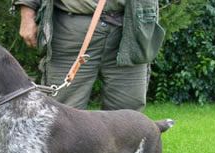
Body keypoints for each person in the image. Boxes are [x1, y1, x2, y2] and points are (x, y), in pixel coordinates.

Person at [13, 0, 165, 111]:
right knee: (63, 116)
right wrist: (27, 14)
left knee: (129, 117)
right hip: (71, 28)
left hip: (134, 26)